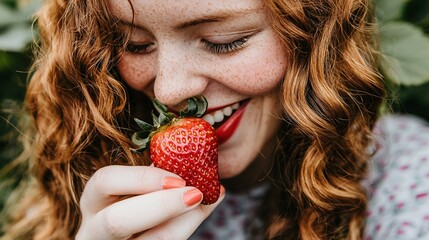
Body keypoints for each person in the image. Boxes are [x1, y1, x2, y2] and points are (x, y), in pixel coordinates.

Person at [1, 0, 429, 239]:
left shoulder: (409, 183)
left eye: (225, 42)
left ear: (315, 34)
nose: (169, 91)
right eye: (134, 44)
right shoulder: (95, 170)